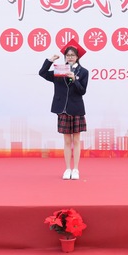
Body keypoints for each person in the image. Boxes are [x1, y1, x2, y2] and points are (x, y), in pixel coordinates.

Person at [39, 40, 89, 180]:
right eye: (68, 55)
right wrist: (50, 60)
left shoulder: (83, 72)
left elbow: (82, 91)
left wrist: (75, 79)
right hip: (63, 109)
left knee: (76, 141)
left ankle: (76, 169)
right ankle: (67, 169)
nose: (70, 57)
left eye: (72, 55)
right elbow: (42, 73)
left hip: (76, 109)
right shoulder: (59, 70)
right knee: (67, 141)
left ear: (77, 57)